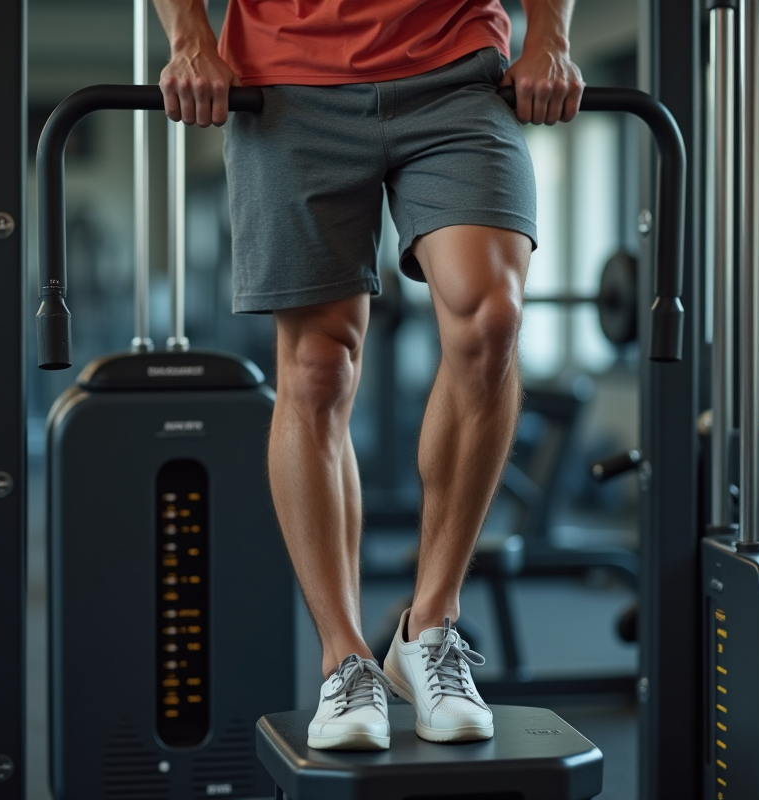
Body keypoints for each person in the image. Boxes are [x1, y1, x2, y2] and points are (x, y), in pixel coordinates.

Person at [154, 0, 584, 751]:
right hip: (285, 81)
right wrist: (189, 38)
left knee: (491, 322)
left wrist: (550, 34)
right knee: (319, 367)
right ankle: (344, 659)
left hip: (456, 75)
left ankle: (429, 629)